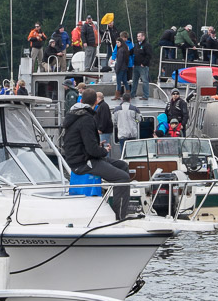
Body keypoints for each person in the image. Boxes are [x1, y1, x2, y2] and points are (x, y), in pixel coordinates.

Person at [62, 88, 130, 220]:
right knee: (122, 177)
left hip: (82, 158)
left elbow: (84, 143)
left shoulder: (75, 115)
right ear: (95, 103)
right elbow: (92, 150)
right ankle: (120, 217)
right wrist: (104, 150)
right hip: (83, 162)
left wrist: (98, 147)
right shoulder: (86, 118)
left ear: (81, 100)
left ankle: (115, 207)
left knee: (123, 166)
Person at [131, 32, 153, 100]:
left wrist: (144, 63)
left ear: (143, 37)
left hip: (143, 66)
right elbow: (131, 52)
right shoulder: (136, 45)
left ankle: (145, 95)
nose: (138, 38)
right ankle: (132, 94)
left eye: (139, 36)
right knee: (134, 81)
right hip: (136, 66)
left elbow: (149, 55)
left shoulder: (147, 45)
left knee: (144, 81)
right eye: (137, 36)